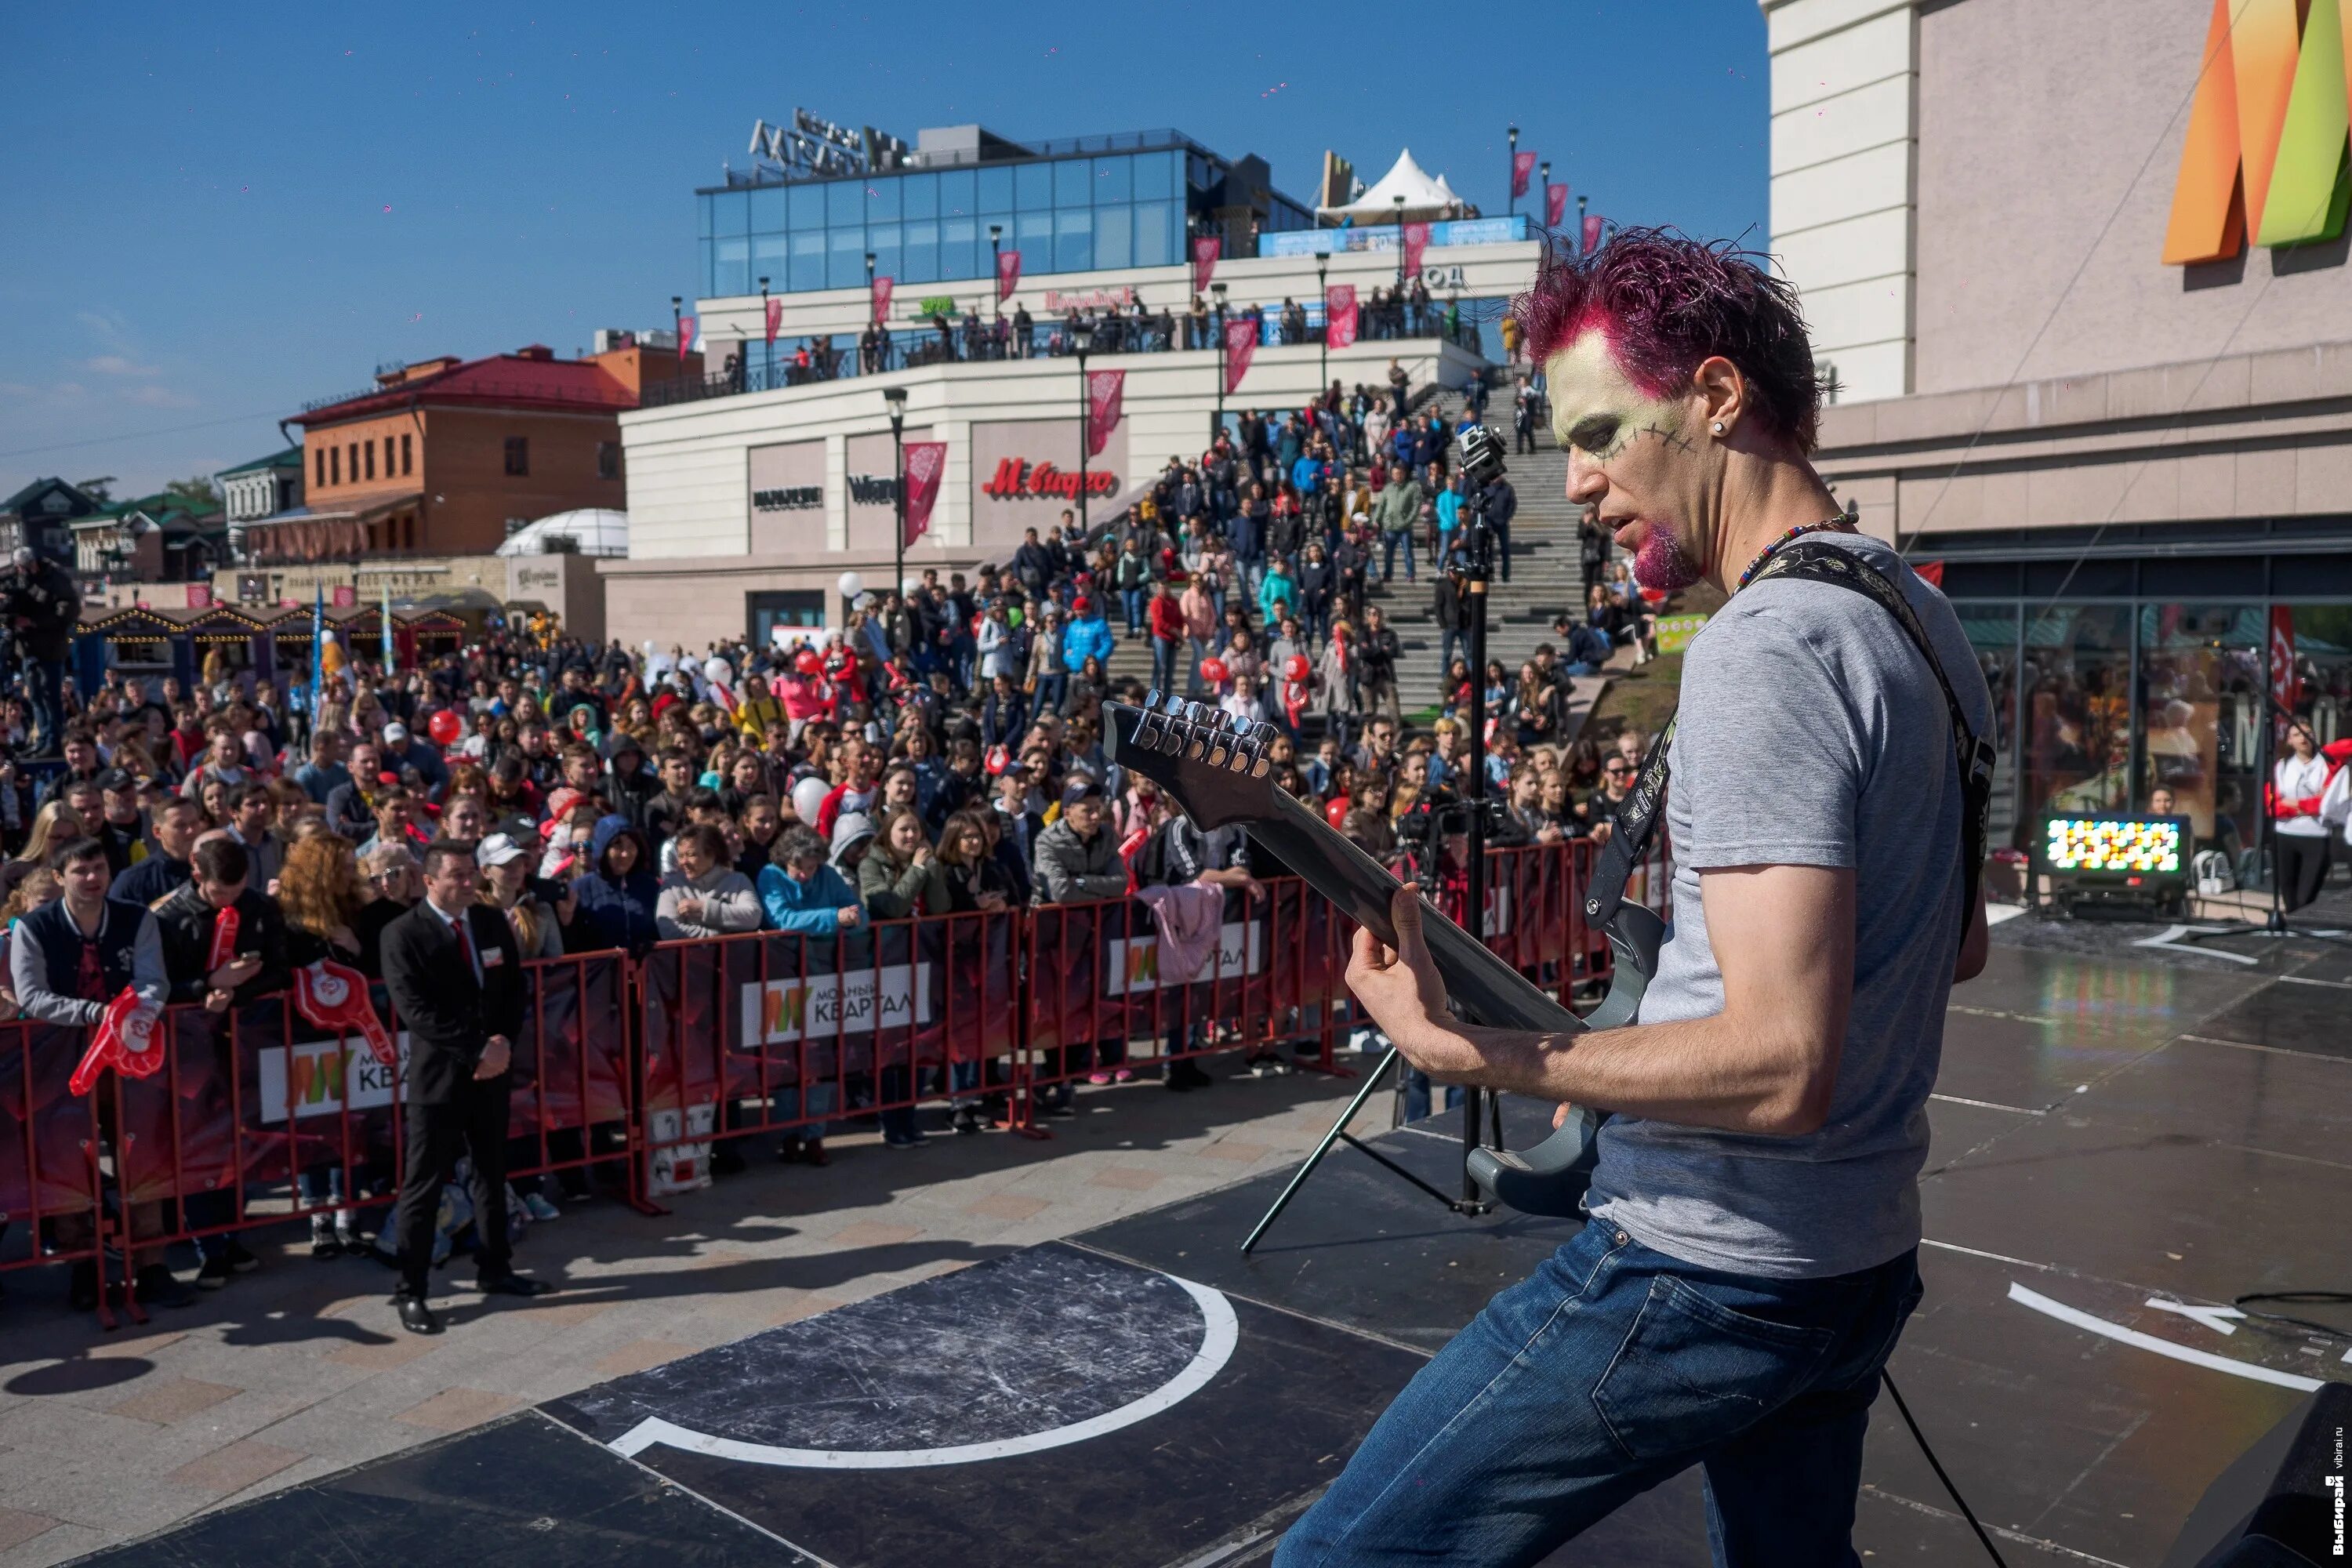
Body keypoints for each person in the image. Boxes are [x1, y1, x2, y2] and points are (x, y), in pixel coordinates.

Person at [1279, 227, 1993, 1566]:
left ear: (1717, 399)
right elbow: (1950, 953)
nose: (1583, 483)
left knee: (1342, 1557)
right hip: (1853, 1263)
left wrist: (1463, 1047)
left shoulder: (1764, 650)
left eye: (1603, 431)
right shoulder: (1923, 622)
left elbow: (1782, 1066)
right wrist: (1632, 1058)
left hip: (1705, 1273)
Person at [379, 840, 552, 1334]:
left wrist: (501, 1046)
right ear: (429, 880)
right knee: (423, 1184)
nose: (467, 883)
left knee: (491, 1172)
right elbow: (417, 1011)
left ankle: (496, 1268)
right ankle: (411, 1291)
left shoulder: (490, 921)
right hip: (441, 1079)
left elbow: (513, 989)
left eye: (471, 873)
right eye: (455, 875)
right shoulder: (402, 934)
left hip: (491, 1074)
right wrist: (477, 1050)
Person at [9, 836, 180, 1309]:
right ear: (60, 877)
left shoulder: (136, 917)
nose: (93, 878)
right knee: (69, 1166)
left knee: (143, 1157)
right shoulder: (34, 927)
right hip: (62, 1063)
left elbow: (153, 980)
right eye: (81, 871)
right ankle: (86, 1269)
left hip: (130, 1059)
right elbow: (32, 996)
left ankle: (154, 1267)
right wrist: (96, 1013)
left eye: (100, 868)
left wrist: (136, 1013)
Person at [2272, 720, 2332, 911]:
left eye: (2308, 734)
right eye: (2297, 735)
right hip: (2285, 833)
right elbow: (2274, 804)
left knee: (2306, 895)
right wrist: (2308, 804)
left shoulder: (2326, 765)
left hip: (2316, 834)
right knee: (2288, 892)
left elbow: (2324, 804)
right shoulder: (2282, 766)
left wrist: (2294, 804)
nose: (2303, 738)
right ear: (2289, 740)